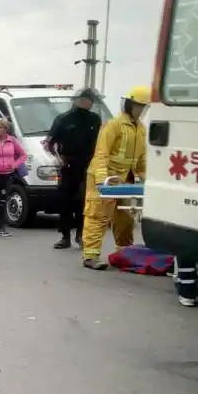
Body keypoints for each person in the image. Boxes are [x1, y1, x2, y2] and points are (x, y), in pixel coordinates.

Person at [80, 85, 150, 270]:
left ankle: (124, 254)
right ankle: (91, 256)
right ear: (129, 105)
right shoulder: (113, 125)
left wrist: (148, 179)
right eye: (139, 106)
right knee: (97, 216)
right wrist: (102, 180)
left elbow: (141, 160)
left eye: (144, 107)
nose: (141, 111)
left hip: (124, 181)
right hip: (104, 179)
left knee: (126, 219)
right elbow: (101, 154)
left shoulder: (141, 129)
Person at [46, 87, 102, 249]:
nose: (90, 103)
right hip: (68, 165)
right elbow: (50, 143)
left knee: (83, 201)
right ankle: (65, 237)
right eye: (88, 99)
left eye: (92, 100)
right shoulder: (63, 119)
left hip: (87, 166)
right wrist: (59, 159)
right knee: (65, 201)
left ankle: (80, 235)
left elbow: (100, 144)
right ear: (79, 100)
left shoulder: (95, 119)